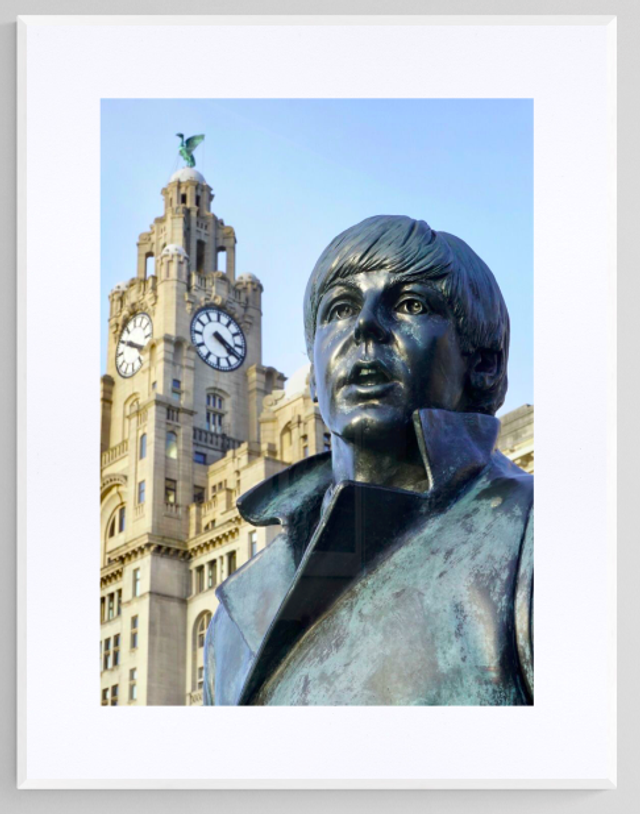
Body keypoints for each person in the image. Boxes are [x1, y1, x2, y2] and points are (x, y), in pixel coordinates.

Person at [204, 215, 533, 706]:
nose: (365, 327)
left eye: (410, 304)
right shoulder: (234, 619)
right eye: (340, 308)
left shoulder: (535, 532)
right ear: (314, 379)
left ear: (482, 363)